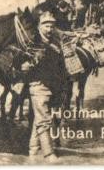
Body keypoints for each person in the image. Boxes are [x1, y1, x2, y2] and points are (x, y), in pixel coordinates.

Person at [20, 8, 66, 162]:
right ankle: (48, 153)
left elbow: (60, 66)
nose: (49, 29)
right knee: (44, 119)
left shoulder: (55, 42)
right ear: (39, 26)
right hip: (38, 85)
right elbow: (19, 61)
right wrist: (26, 65)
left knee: (39, 118)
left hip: (52, 86)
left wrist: (61, 87)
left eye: (52, 26)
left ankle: (33, 150)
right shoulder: (32, 42)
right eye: (46, 26)